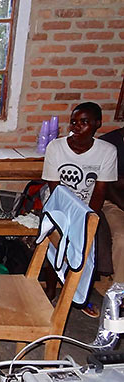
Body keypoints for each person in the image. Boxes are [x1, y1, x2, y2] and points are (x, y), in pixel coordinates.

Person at [42, 102, 118, 318]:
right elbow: (54, 188)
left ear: (97, 124)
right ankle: (50, 289)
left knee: (91, 244)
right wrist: (71, 216)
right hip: (58, 205)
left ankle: (79, 295)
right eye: (74, 122)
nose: (76, 127)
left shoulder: (106, 151)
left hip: (88, 207)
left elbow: (100, 190)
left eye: (84, 122)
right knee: (54, 240)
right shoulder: (56, 147)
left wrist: (86, 218)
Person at [99, 127, 124, 286]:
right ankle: (118, 292)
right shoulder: (109, 145)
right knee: (122, 238)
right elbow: (107, 188)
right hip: (113, 203)